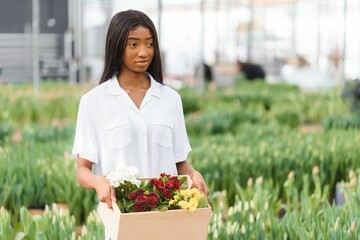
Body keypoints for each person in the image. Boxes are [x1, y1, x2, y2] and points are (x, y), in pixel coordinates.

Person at [72, 8, 209, 221]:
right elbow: (82, 170)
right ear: (117, 46)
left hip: (167, 214)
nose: (144, 52)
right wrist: (99, 182)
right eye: (133, 44)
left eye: (150, 43)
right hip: (122, 216)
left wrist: (193, 174)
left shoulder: (170, 99)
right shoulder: (94, 102)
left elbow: (180, 162)